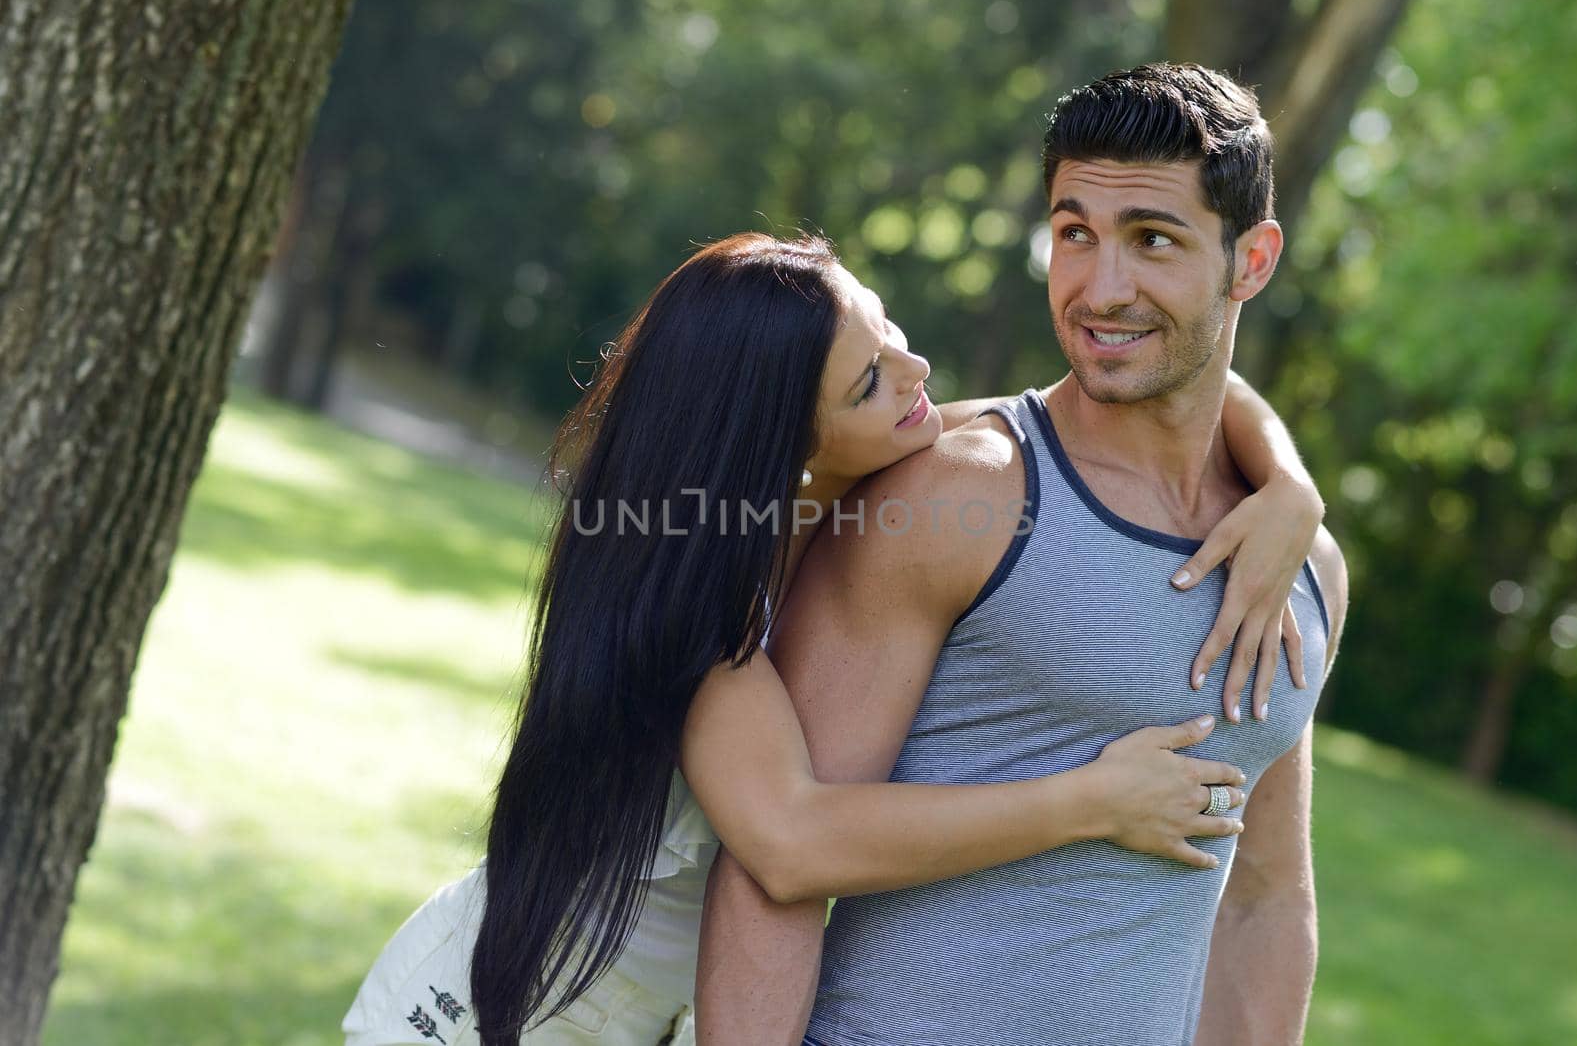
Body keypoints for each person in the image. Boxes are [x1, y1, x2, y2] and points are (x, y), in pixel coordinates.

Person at [342, 226, 1326, 1045]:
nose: (916, 373)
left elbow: (1179, 387)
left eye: (888, 331)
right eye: (869, 383)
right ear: (783, 439)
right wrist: (1092, 801)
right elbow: (790, 839)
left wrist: (1286, 485)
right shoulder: (693, 608)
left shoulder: (878, 466)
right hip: (490, 1013)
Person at [694, 63, 1350, 1046]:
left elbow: (1263, 902)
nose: (1101, 287)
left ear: (1250, 262)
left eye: (1153, 240)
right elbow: (774, 864)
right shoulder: (958, 492)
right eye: (1075, 233)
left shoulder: (1302, 567)